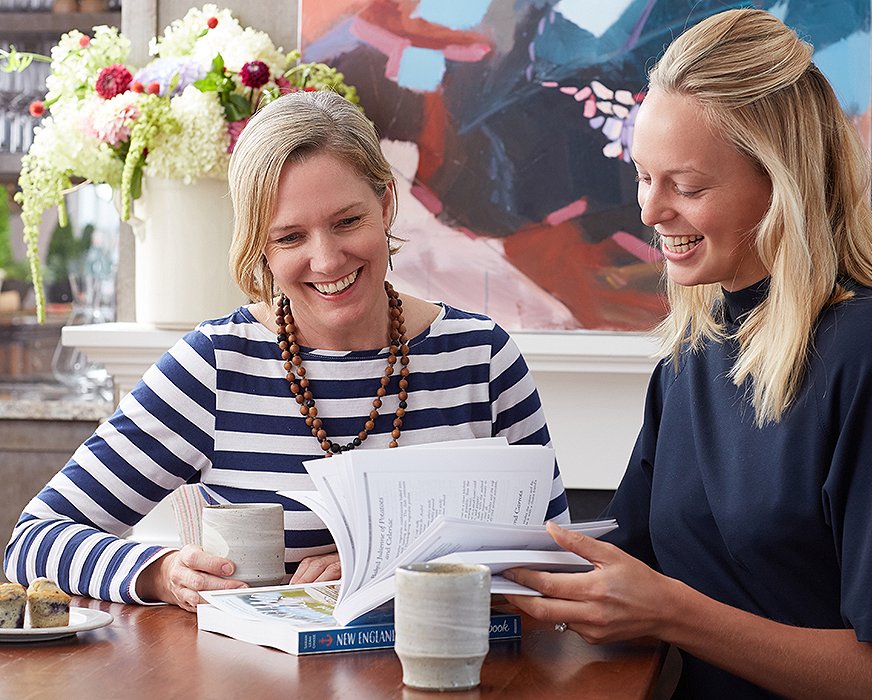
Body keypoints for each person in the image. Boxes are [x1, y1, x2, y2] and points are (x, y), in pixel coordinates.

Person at [503, 9, 872, 698]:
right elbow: (616, 571)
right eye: (642, 175)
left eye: (686, 187)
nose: (650, 211)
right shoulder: (691, 359)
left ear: (782, 188)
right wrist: (446, 568)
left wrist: (675, 613)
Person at [4, 90, 569, 612]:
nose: (326, 261)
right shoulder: (217, 365)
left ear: (387, 204)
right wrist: (158, 571)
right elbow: (31, 542)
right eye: (290, 237)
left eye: (347, 222)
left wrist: (392, 570)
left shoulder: (482, 358)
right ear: (259, 245)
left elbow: (560, 559)